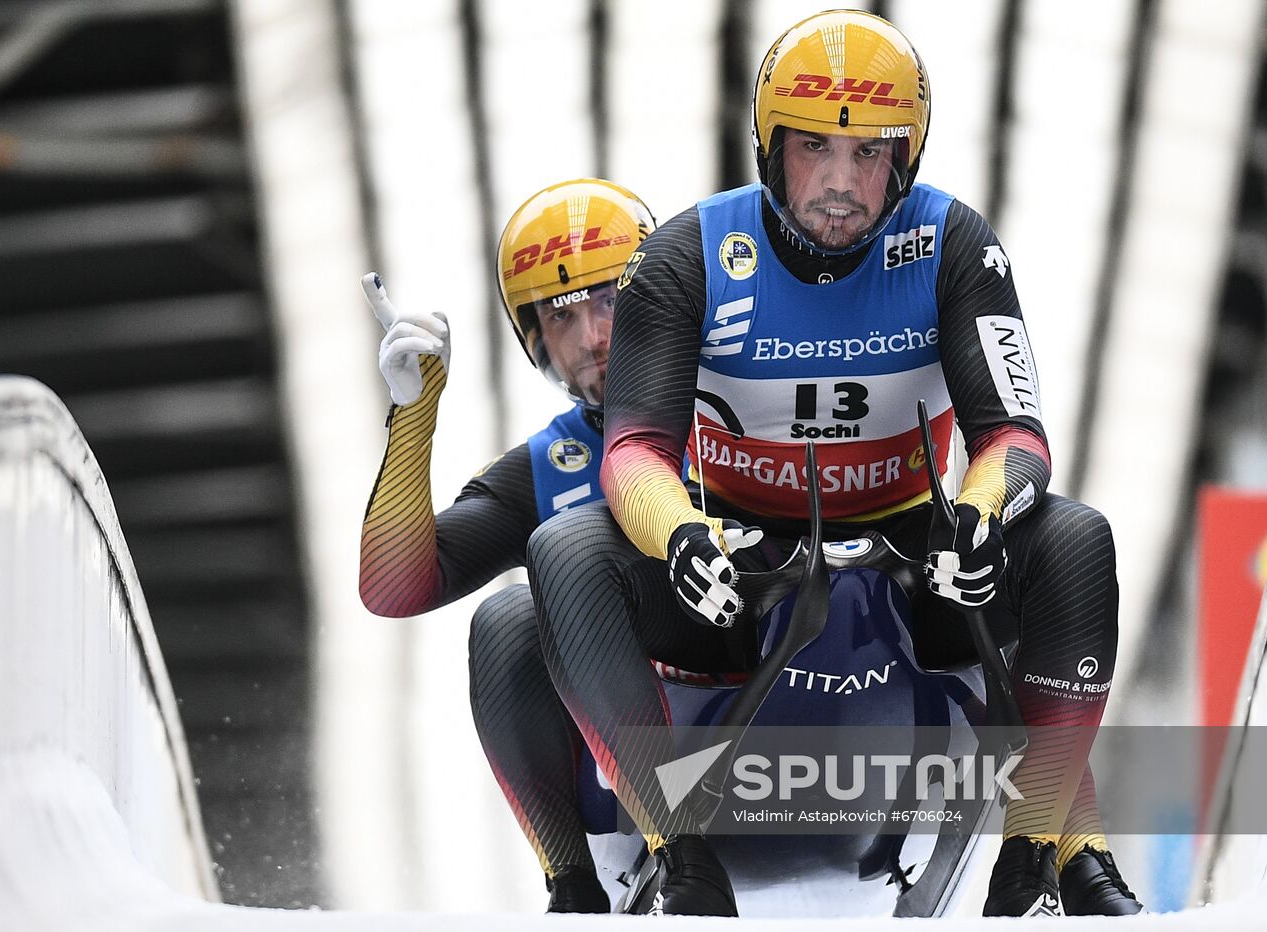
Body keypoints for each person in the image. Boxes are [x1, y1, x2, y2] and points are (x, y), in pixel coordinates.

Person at [525, 10, 1142, 918]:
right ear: (771, 148)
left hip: (910, 558)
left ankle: (1041, 857)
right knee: (568, 550)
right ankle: (678, 854)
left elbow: (1017, 437)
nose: (842, 185)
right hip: (739, 559)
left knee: (1078, 540)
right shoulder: (684, 257)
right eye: (815, 147)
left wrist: (978, 512)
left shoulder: (957, 245)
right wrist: (682, 536)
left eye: (871, 153)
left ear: (908, 159)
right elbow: (635, 451)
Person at [357, 178, 656, 913]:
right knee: (504, 619)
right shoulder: (543, 469)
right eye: (561, 314)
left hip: (804, 720)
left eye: (612, 302)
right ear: (534, 340)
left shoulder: (760, 393)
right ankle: (573, 881)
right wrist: (413, 417)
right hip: (644, 780)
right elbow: (394, 589)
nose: (593, 337)